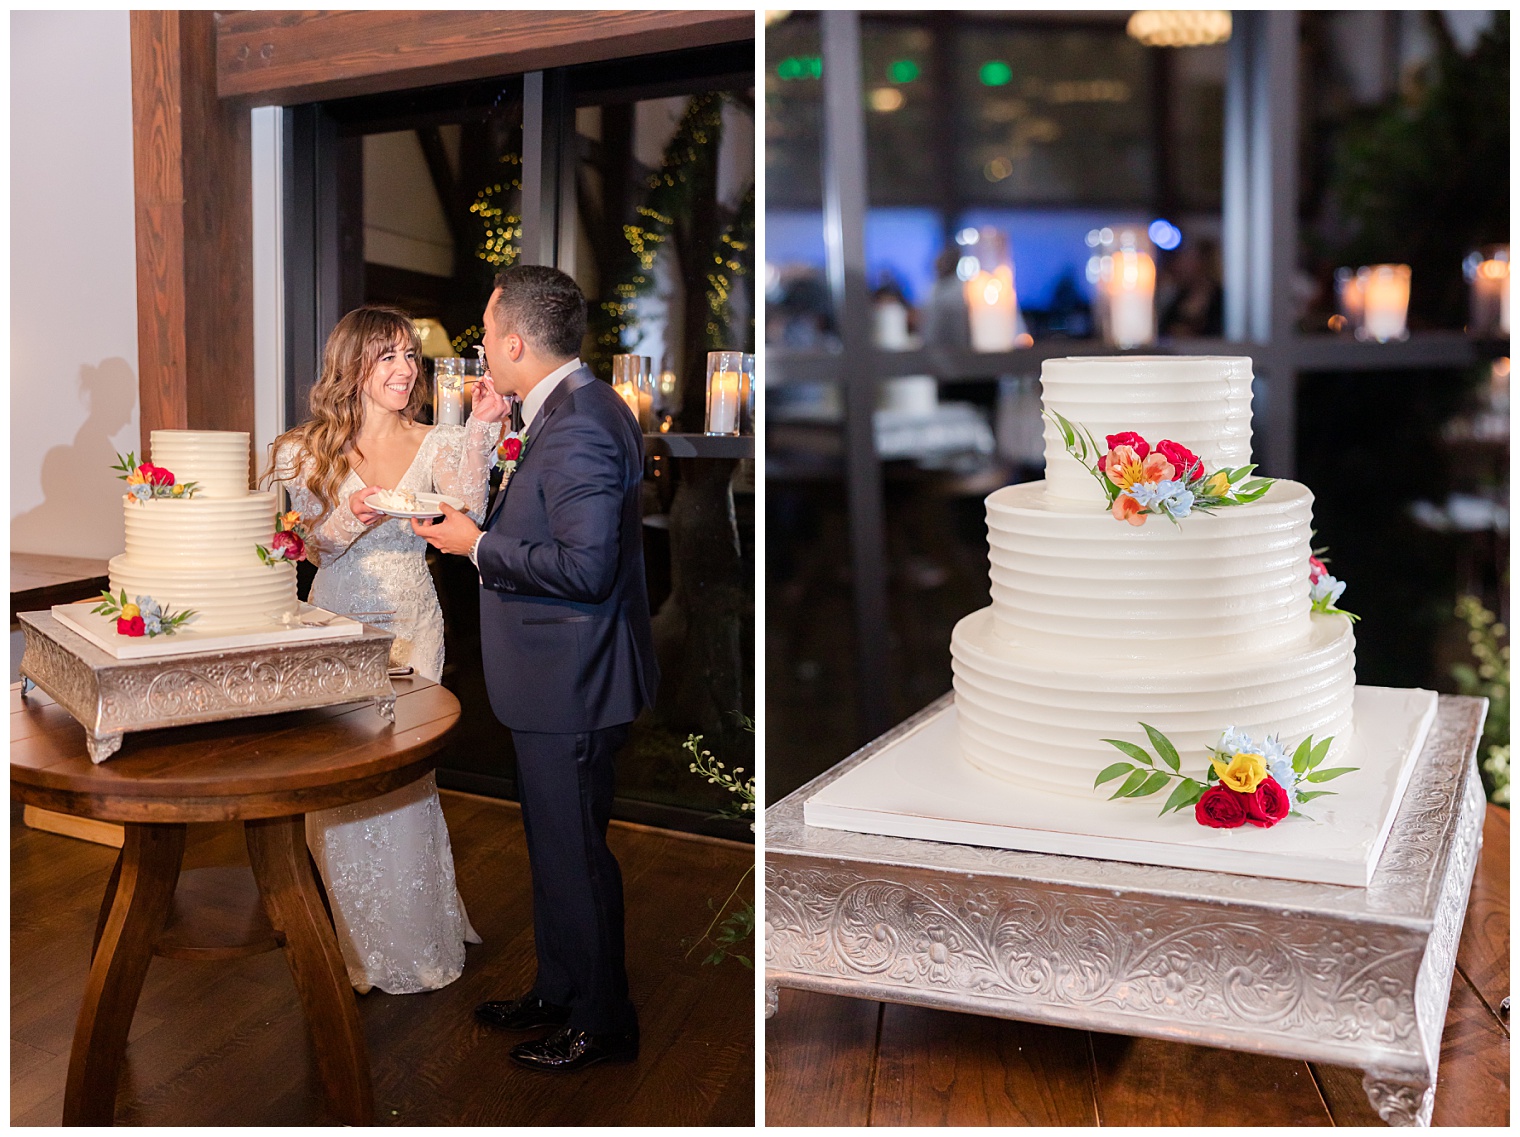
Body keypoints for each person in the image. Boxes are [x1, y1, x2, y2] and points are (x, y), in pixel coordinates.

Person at [412, 265, 658, 1072]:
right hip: (560, 675)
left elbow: (586, 567)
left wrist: (474, 544)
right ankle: (559, 988)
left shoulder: (581, 421)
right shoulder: (569, 409)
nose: (482, 343)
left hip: (573, 679)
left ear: (514, 341)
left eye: (486, 330)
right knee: (556, 848)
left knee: (577, 855)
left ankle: (602, 1022)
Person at [266, 305, 509, 994]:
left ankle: (413, 936)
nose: (405, 370)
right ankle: (343, 940)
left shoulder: (438, 440)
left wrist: (483, 428)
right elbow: (310, 546)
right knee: (336, 773)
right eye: (387, 357)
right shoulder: (304, 449)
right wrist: (354, 513)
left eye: (409, 356)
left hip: (411, 618)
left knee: (404, 774)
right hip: (336, 615)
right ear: (352, 367)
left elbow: (468, 513)